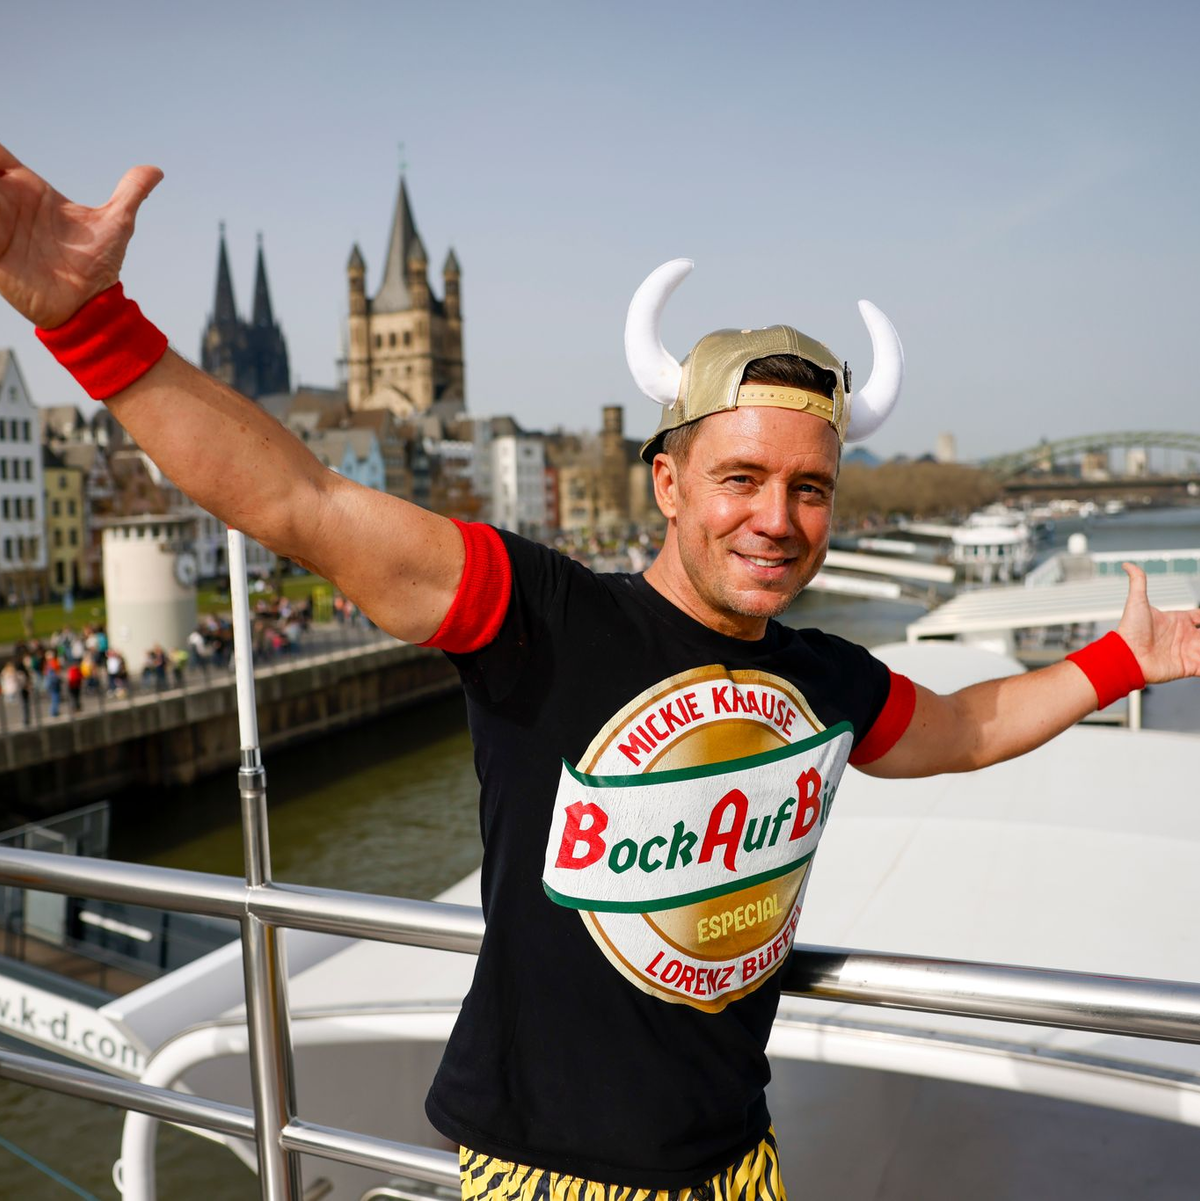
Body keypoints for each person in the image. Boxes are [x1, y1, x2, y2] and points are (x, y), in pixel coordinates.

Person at [2, 143, 1198, 1200]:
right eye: (740, 477)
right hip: (545, 1173)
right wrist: (87, 324)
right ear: (669, 483)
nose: (776, 517)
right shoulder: (540, 616)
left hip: (736, 1163)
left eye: (810, 486)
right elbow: (300, 501)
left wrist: (1117, 660)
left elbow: (964, 726)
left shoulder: (826, 677)